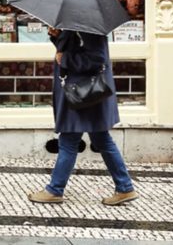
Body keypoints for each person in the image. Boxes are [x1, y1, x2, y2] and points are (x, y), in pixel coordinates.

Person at [28, 27, 138, 206]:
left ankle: (55, 190)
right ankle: (125, 187)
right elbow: (73, 48)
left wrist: (66, 59)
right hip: (83, 95)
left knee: (69, 140)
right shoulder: (77, 24)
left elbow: (97, 58)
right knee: (102, 139)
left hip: (83, 94)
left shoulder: (90, 28)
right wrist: (58, 37)